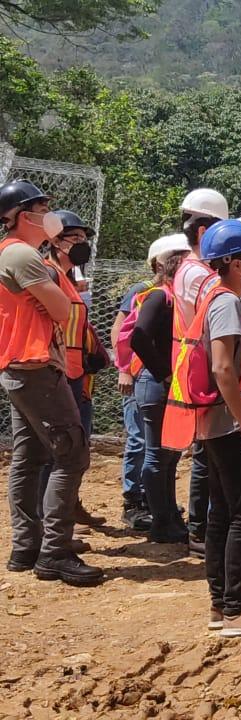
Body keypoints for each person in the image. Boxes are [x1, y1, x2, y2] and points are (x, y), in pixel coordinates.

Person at [163, 218, 241, 637]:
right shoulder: (227, 303)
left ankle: (222, 604)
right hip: (232, 424)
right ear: (234, 262)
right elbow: (223, 367)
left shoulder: (218, 298)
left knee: (222, 514)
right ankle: (236, 607)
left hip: (218, 423)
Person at [0, 179, 102, 586]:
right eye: (43, 209)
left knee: (30, 457)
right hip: (37, 366)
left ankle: (27, 546)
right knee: (71, 454)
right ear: (25, 216)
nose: (50, 217)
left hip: (21, 366)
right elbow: (62, 310)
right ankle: (54, 553)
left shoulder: (17, 252)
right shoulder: (23, 254)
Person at [171, 188, 231, 559]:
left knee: (208, 457)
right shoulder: (200, 274)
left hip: (202, 369)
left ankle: (204, 530)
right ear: (205, 230)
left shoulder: (190, 270)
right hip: (208, 373)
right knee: (210, 459)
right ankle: (203, 531)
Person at [44, 210, 111, 518]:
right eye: (76, 238)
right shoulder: (49, 274)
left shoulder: (70, 280)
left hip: (77, 373)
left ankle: (69, 504)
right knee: (58, 449)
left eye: (84, 239)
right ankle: (51, 515)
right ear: (54, 241)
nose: (82, 244)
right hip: (58, 373)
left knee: (77, 445)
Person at [128, 234, 194, 544]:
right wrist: (164, 374)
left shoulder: (174, 299)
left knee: (169, 457)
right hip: (155, 386)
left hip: (166, 385)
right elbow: (138, 337)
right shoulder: (158, 297)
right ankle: (161, 521)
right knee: (156, 457)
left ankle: (168, 517)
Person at [113, 242, 174, 532]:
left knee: (159, 447)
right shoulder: (145, 291)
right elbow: (123, 331)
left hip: (152, 377)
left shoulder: (174, 294)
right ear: (158, 264)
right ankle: (133, 502)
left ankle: (155, 502)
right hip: (141, 376)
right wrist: (124, 369)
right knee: (140, 442)